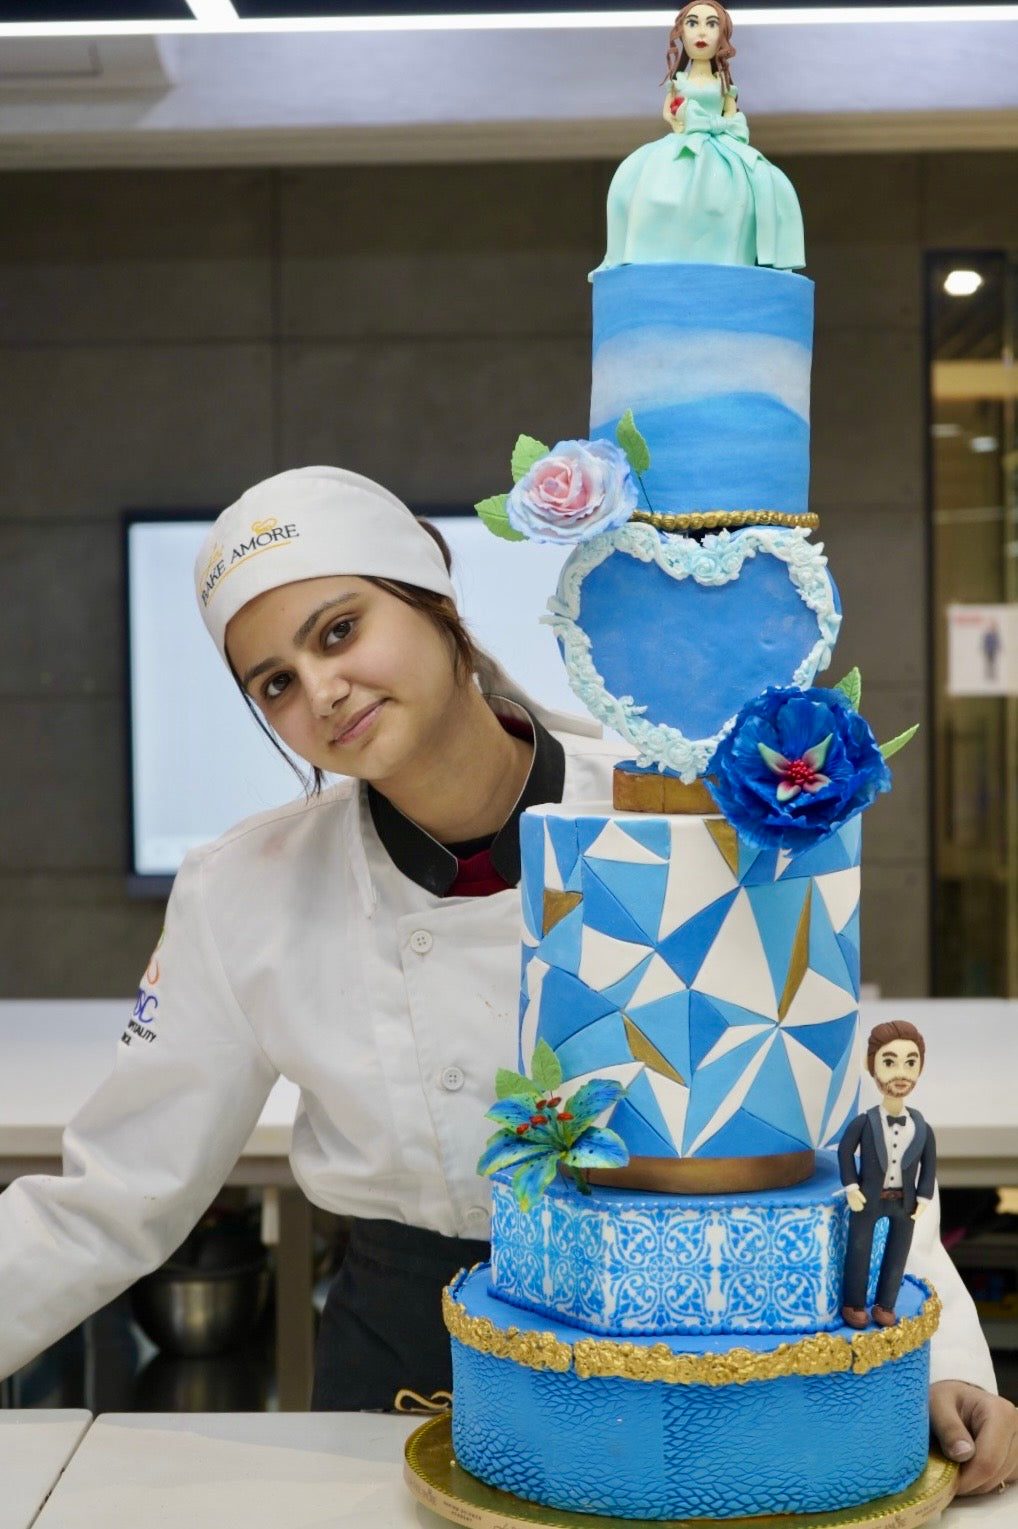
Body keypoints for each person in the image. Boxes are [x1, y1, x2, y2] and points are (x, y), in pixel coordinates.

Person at [0, 465, 1015, 1494]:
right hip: (395, 1369)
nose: (321, 690)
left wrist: (945, 1361)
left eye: (340, 630)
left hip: (666, 1353)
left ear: (434, 597)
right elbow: (113, 1193)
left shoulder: (672, 812)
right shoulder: (243, 890)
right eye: (275, 683)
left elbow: (826, 1129)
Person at [597, 1, 804, 272]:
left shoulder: (723, 84)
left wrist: (723, 125)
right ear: (681, 33)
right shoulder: (679, 82)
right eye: (693, 23)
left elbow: (731, 114)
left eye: (712, 24)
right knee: (650, 185)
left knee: (764, 180)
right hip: (686, 140)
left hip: (722, 145)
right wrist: (681, 120)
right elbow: (668, 112)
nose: (702, 32)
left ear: (723, 35)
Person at [839, 1021, 935, 1329]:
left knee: (897, 1254)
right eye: (890, 1062)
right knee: (860, 1251)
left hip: (905, 1203)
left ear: (920, 1068)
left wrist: (924, 1197)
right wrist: (851, 1187)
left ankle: (886, 1304)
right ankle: (854, 1304)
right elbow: (844, 1152)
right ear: (872, 1067)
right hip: (867, 1198)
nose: (901, 1073)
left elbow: (929, 1165)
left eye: (910, 1063)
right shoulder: (864, 1122)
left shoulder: (922, 1127)